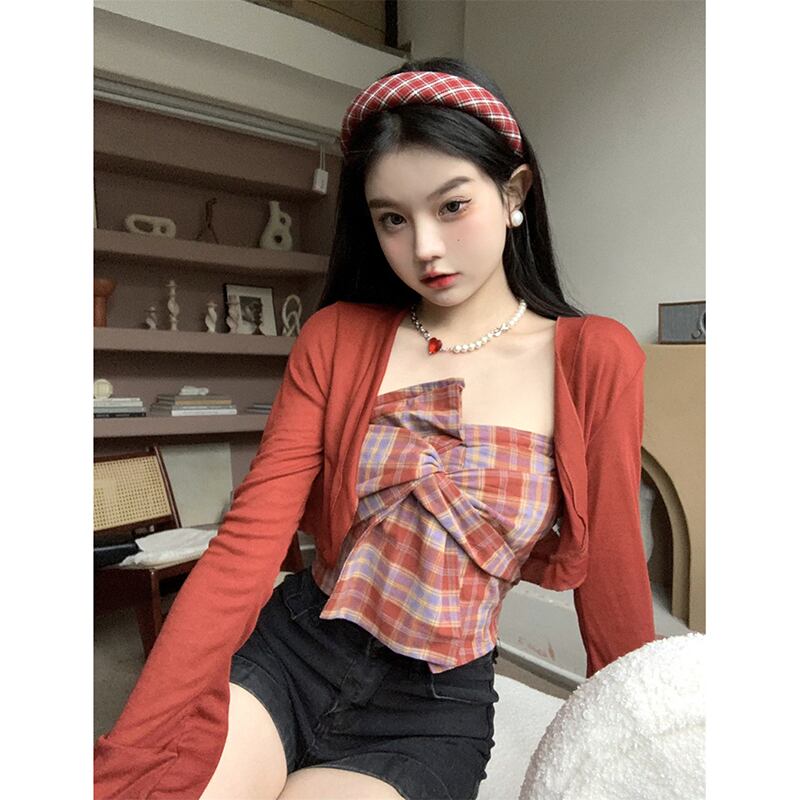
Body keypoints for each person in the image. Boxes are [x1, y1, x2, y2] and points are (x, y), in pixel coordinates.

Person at [94, 57, 655, 800]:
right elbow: (246, 547)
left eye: (451, 206)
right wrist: (132, 748)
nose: (423, 247)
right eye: (393, 218)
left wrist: (638, 745)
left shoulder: (594, 358)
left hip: (429, 710)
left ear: (514, 192)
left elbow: (613, 569)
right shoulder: (336, 337)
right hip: (294, 650)